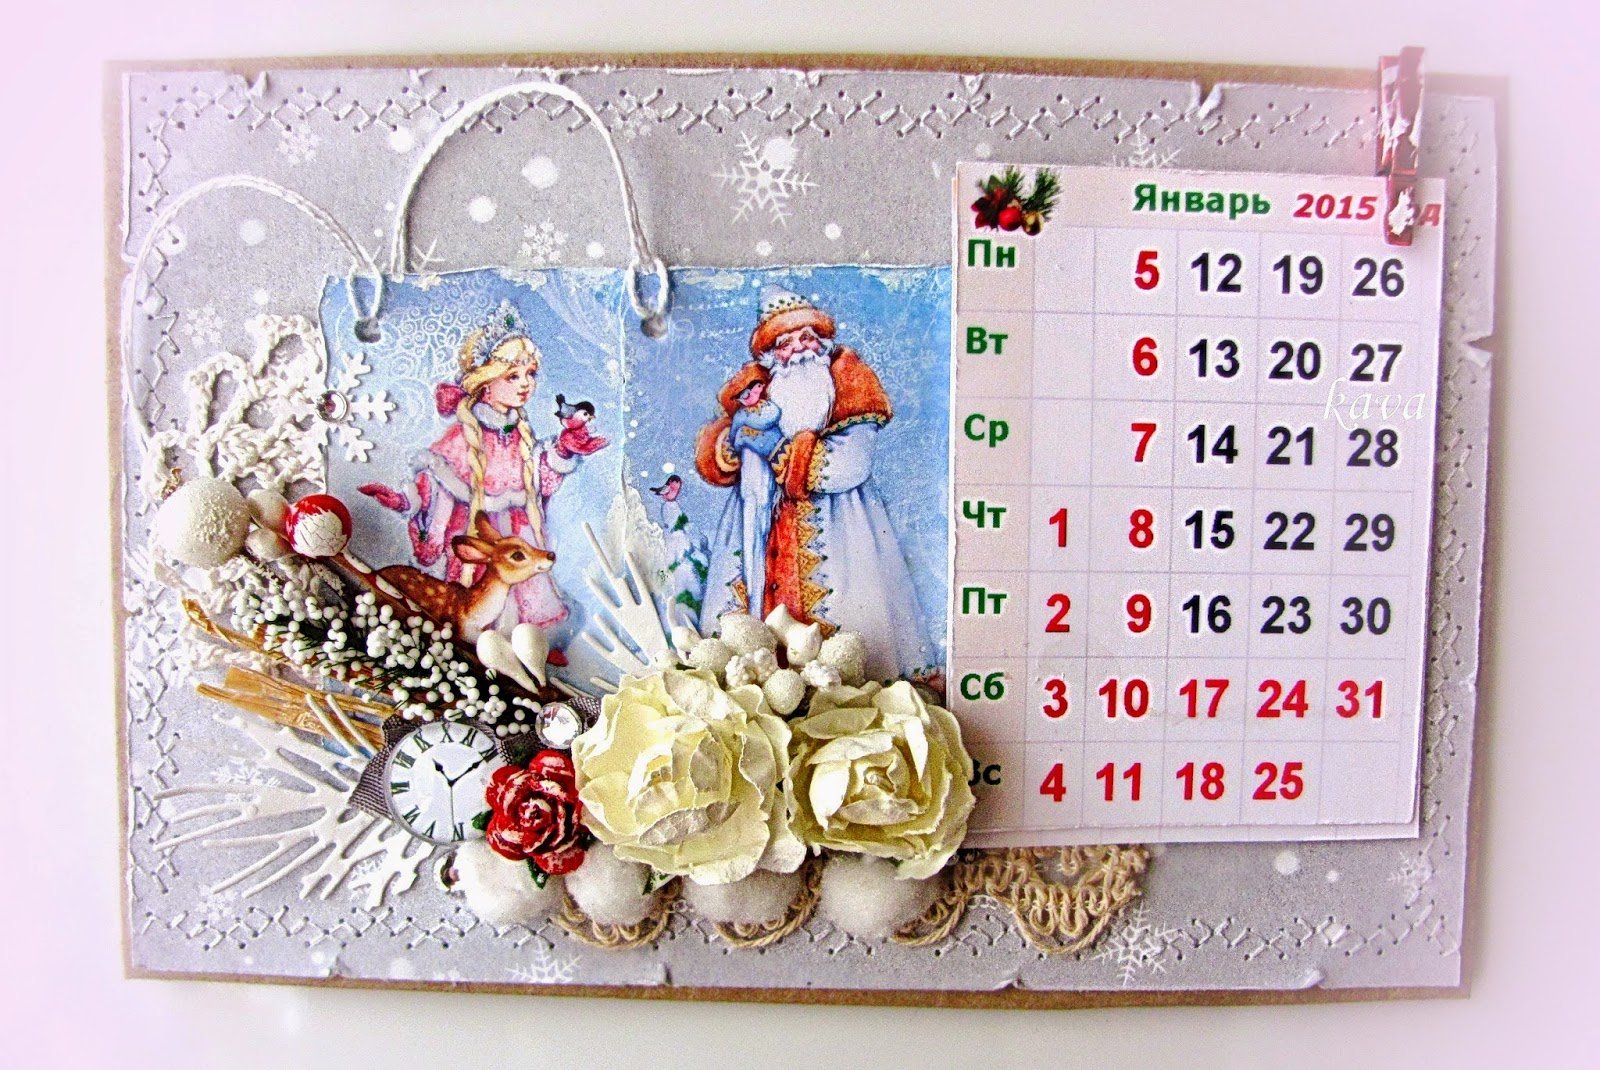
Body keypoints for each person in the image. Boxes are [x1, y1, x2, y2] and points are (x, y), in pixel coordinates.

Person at [695, 285, 933, 681]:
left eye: (807, 336)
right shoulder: (760, 389)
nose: (799, 348)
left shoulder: (847, 378)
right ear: (772, 354)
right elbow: (722, 449)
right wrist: (736, 447)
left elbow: (852, 461)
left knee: (849, 625)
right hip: (761, 521)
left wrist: (785, 457)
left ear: (821, 341)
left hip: (839, 524)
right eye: (785, 342)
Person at [360, 300, 589, 636]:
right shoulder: (464, 435)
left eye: (530, 374)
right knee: (478, 596)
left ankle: (527, 642)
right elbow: (434, 479)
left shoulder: (521, 433)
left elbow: (540, 479)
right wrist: (404, 500)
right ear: (487, 382)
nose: (525, 384)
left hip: (518, 531)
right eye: (513, 376)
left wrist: (563, 451)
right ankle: (481, 641)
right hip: (477, 530)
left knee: (526, 593)